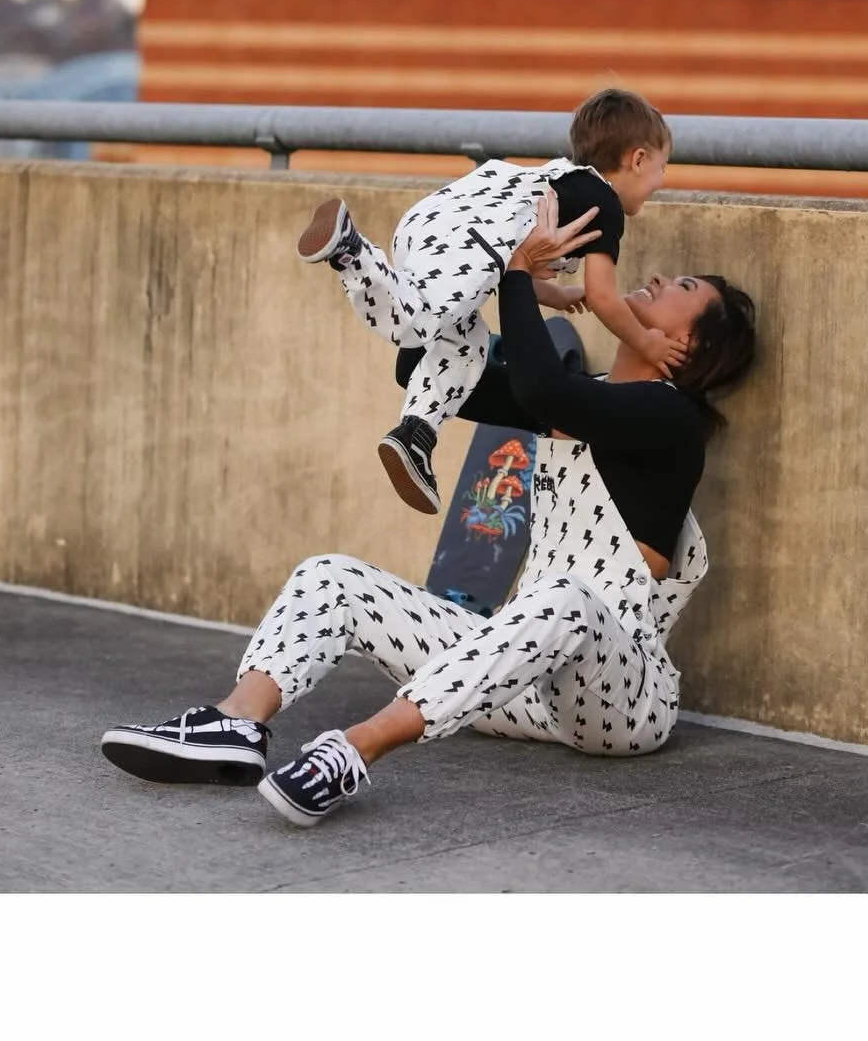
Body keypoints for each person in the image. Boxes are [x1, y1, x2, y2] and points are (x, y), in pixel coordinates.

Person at [100, 190, 757, 829]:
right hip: (517, 682)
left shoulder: (669, 419)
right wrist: (465, 275)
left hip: (619, 700)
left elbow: (544, 390)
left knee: (565, 596)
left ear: (689, 349)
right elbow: (418, 365)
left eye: (684, 289)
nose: (662, 276)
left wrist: (521, 275)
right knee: (331, 577)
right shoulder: (580, 396)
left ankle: (354, 750)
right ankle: (235, 722)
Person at [296, 87, 686, 516]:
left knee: (467, 347)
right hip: (468, 240)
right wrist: (648, 341)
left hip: (438, 223)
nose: (661, 181)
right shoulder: (604, 203)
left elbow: (510, 266)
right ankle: (352, 252)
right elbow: (605, 296)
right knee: (416, 322)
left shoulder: (565, 183)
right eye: (662, 167)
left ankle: (415, 434)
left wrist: (555, 295)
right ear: (638, 159)